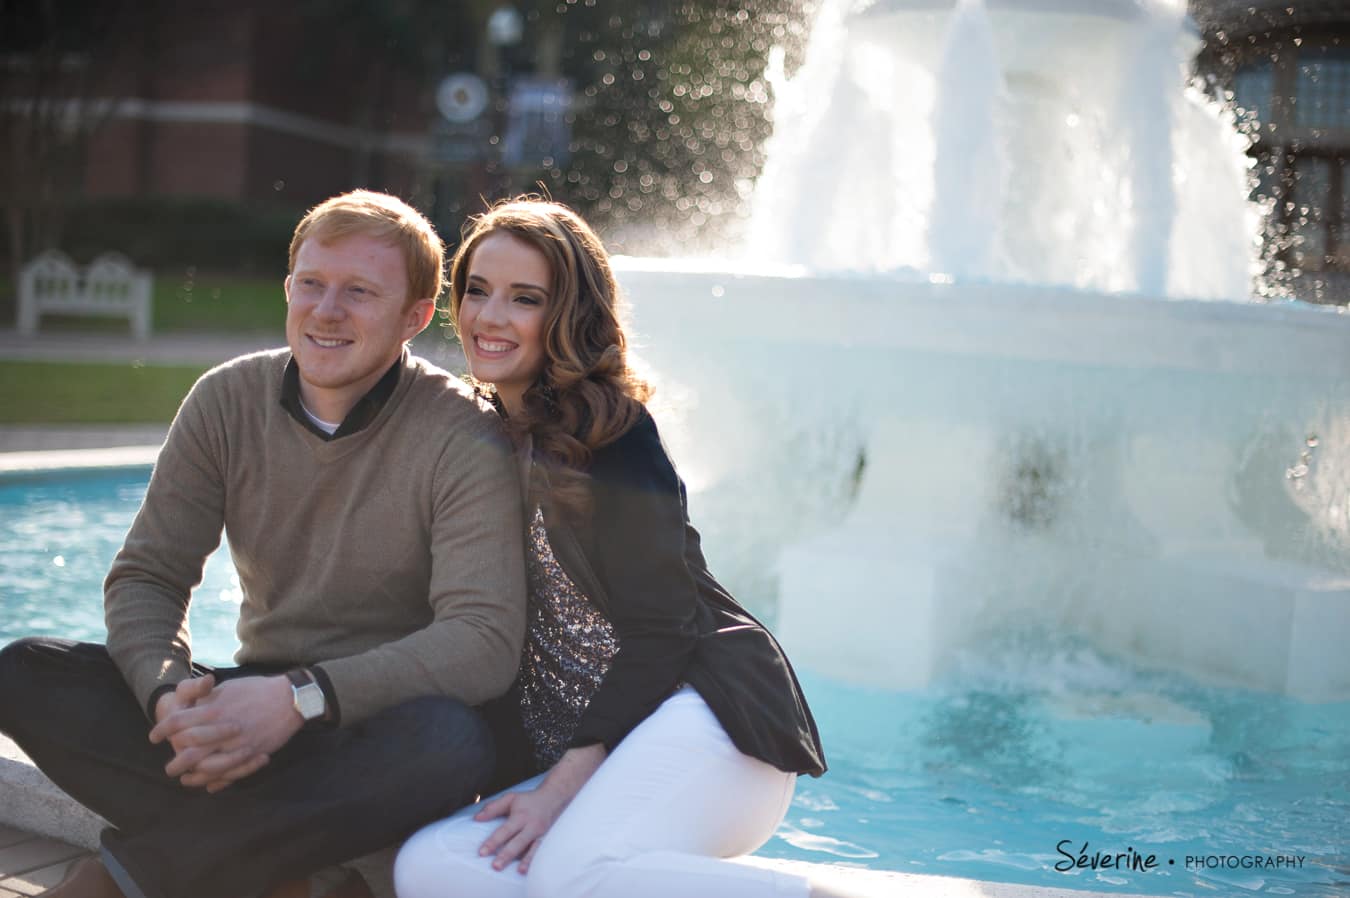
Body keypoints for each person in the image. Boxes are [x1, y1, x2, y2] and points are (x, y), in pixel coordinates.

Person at [0, 190, 527, 898]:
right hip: (245, 717)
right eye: (311, 283)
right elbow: (149, 577)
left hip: (368, 730)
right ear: (289, 289)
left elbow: (483, 639)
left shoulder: (464, 434)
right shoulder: (225, 400)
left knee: (452, 740)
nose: (326, 309)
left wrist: (301, 700)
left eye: (359, 292)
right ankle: (297, 877)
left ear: (413, 317)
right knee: (27, 671)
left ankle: (127, 879)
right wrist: (170, 696)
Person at [393, 198, 836, 898]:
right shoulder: (477, 439)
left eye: (525, 299)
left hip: (707, 723)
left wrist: (559, 791)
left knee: (575, 874)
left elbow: (663, 628)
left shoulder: (614, 436)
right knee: (432, 866)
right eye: (476, 290)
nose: (489, 316)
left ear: (567, 316)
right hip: (603, 754)